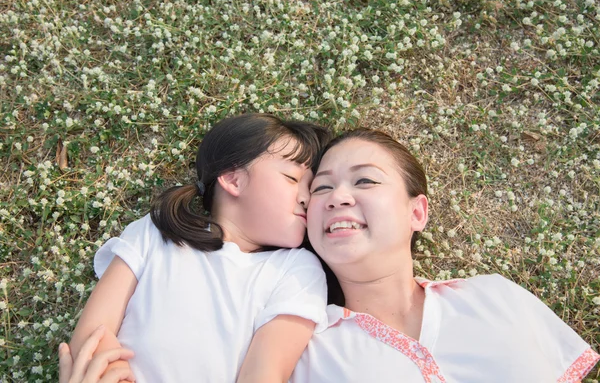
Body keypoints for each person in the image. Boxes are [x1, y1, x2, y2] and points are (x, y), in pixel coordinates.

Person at [291, 128, 600, 382]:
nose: (337, 197)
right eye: (321, 188)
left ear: (416, 213)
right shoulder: (302, 353)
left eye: (365, 181)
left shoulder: (493, 296)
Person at [68, 113, 331, 383]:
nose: (306, 198)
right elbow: (95, 332)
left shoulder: (296, 269)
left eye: (312, 188)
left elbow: (265, 373)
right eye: (292, 178)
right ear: (233, 180)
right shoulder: (158, 231)